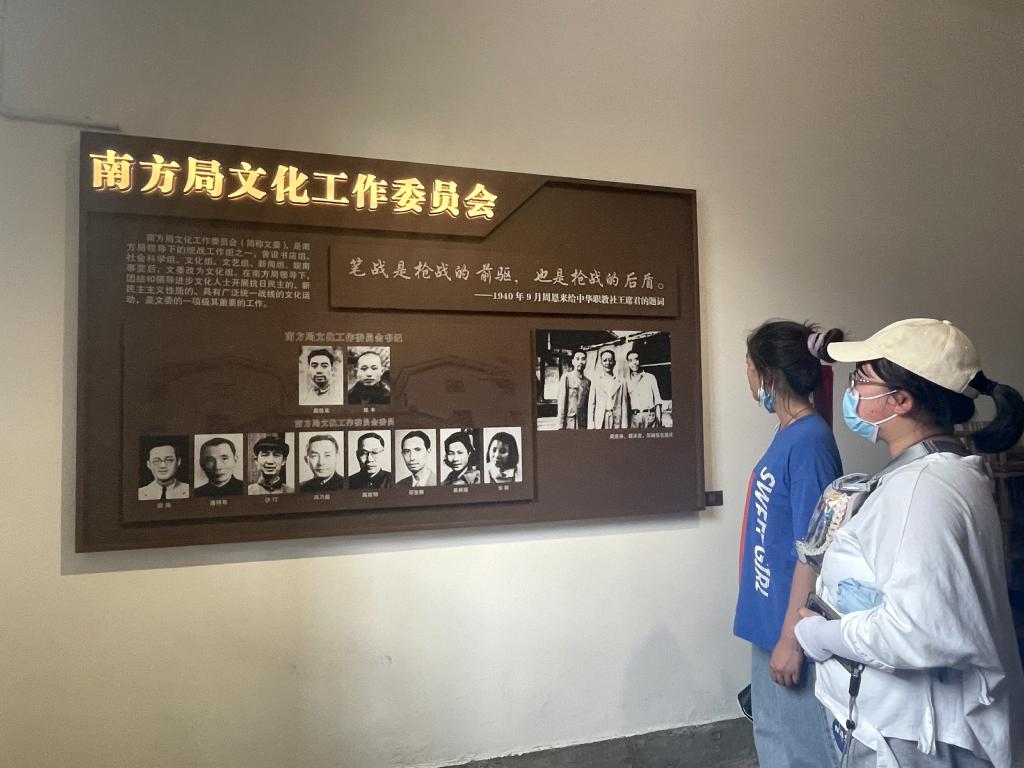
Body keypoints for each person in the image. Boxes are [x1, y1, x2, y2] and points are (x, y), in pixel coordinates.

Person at [793, 318, 1024, 768]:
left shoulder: (924, 490)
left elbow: (917, 631)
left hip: (914, 737)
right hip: (900, 726)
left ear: (900, 400)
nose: (853, 392)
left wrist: (822, 635)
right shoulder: (933, 473)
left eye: (861, 380)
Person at [733, 320, 845, 768]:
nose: (747, 379)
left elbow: (816, 548)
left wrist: (791, 639)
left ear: (768, 375)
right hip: (769, 612)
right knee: (773, 739)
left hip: (790, 622)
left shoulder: (811, 442)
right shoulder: (789, 432)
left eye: (748, 368)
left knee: (800, 750)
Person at [587, 348, 628, 429]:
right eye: (605, 360)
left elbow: (624, 405)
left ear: (614, 362)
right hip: (600, 420)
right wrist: (591, 425)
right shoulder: (596, 381)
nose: (607, 363)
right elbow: (591, 404)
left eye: (610, 360)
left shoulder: (621, 381)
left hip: (616, 419)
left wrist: (624, 426)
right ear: (601, 363)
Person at [625, 349, 663, 428]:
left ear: (640, 360)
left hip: (650, 417)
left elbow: (657, 402)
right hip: (634, 419)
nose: (634, 363)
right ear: (628, 363)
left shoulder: (650, 377)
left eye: (636, 359)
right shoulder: (626, 381)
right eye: (630, 360)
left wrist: (659, 422)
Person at [556, 350, 591, 429]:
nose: (580, 362)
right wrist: (560, 425)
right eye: (577, 359)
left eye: (583, 359)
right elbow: (561, 402)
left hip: (583, 422)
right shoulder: (567, 377)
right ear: (573, 361)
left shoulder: (588, 382)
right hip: (570, 422)